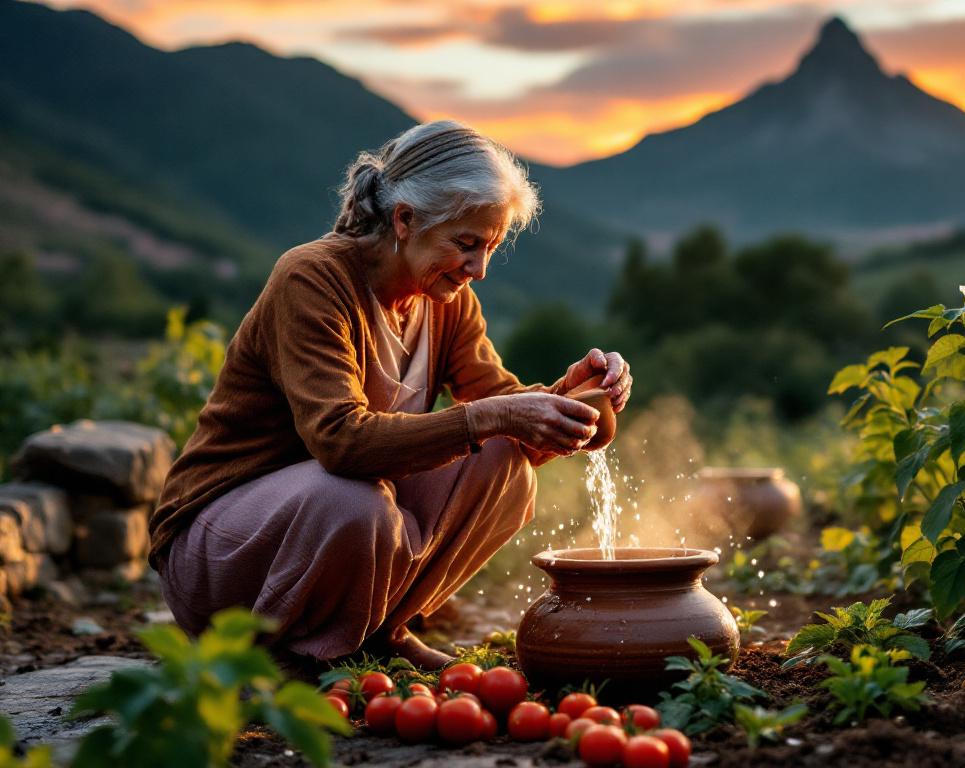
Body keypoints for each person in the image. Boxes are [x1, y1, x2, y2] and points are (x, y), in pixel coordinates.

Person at [149, 120, 633, 669]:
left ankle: (379, 631)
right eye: (466, 244)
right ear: (405, 220)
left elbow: (506, 415)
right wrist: (492, 416)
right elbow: (340, 443)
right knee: (356, 502)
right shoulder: (312, 278)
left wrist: (573, 397)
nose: (478, 269)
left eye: (491, 247)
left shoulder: (447, 300)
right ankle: (287, 657)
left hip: (338, 527)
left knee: (506, 464)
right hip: (224, 549)